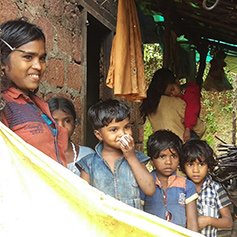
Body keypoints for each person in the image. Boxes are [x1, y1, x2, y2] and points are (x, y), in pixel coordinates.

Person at [0, 19, 67, 167]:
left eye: (42, 58)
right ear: (3, 62)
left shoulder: (40, 105)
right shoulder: (4, 106)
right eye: (28, 57)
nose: (38, 66)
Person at [76, 99, 156, 209]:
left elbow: (150, 189)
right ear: (98, 135)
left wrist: (131, 157)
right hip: (103, 221)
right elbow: (83, 198)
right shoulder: (89, 163)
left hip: (131, 222)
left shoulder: (137, 158)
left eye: (126, 127)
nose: (122, 134)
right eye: (114, 130)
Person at [140, 129, 199, 231]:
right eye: (162, 156)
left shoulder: (187, 186)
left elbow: (192, 223)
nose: (168, 162)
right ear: (152, 161)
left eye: (174, 156)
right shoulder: (144, 184)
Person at [180, 139, 233, 236]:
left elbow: (228, 222)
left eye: (201, 164)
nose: (195, 170)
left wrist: (208, 221)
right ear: (183, 166)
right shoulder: (179, 188)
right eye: (190, 164)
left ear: (208, 166)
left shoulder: (216, 189)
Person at [140, 68, 202, 142]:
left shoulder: (150, 104)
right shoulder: (176, 102)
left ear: (177, 82)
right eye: (170, 93)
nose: (173, 94)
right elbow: (201, 128)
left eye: (172, 89)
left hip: (162, 148)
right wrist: (188, 129)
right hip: (181, 148)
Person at [47, 97, 95, 175]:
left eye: (67, 121)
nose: (61, 126)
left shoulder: (88, 156)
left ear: (75, 123)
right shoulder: (40, 156)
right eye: (54, 122)